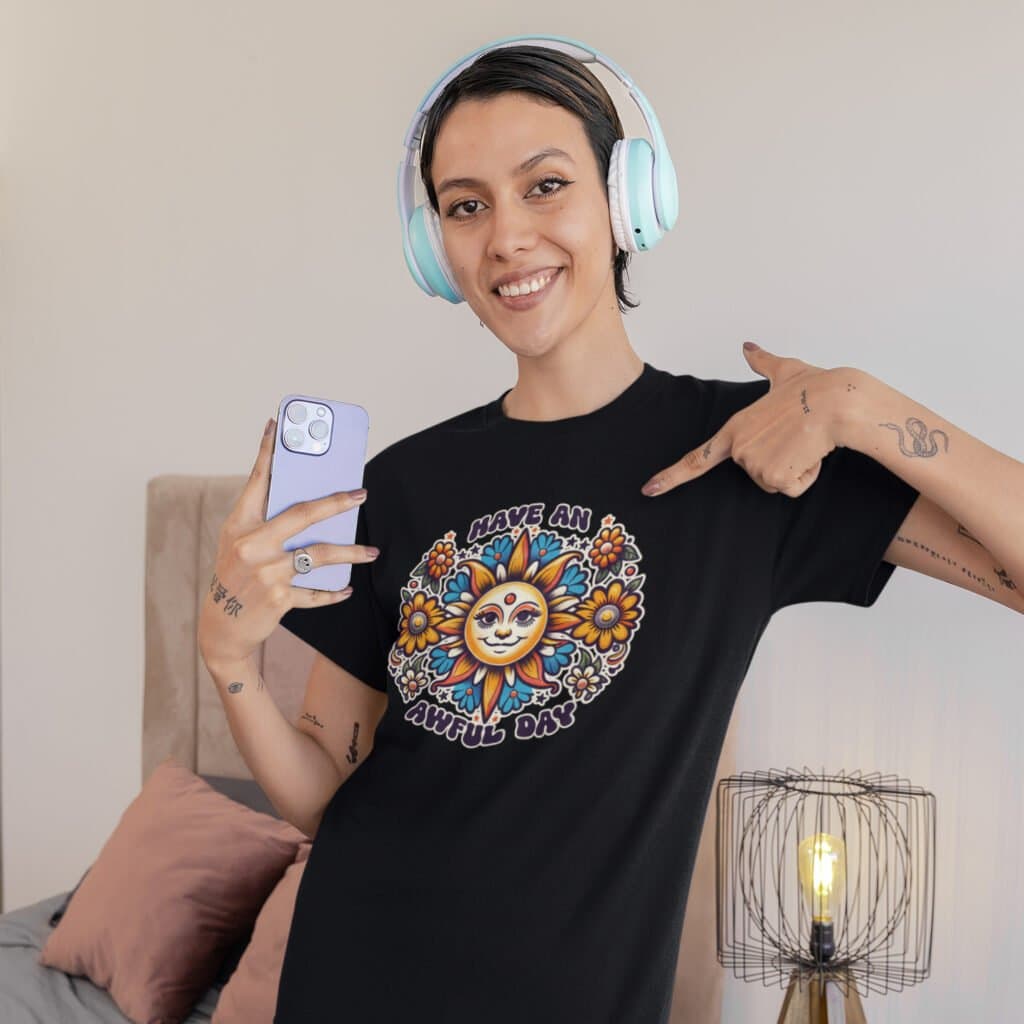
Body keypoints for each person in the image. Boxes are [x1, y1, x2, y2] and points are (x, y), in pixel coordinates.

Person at [199, 37, 1023, 1024]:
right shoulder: (402, 484)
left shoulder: (750, 451)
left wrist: (858, 403)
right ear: (435, 248)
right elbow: (326, 793)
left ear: (626, 201)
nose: (507, 236)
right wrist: (231, 659)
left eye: (544, 186)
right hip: (347, 983)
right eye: (466, 205)